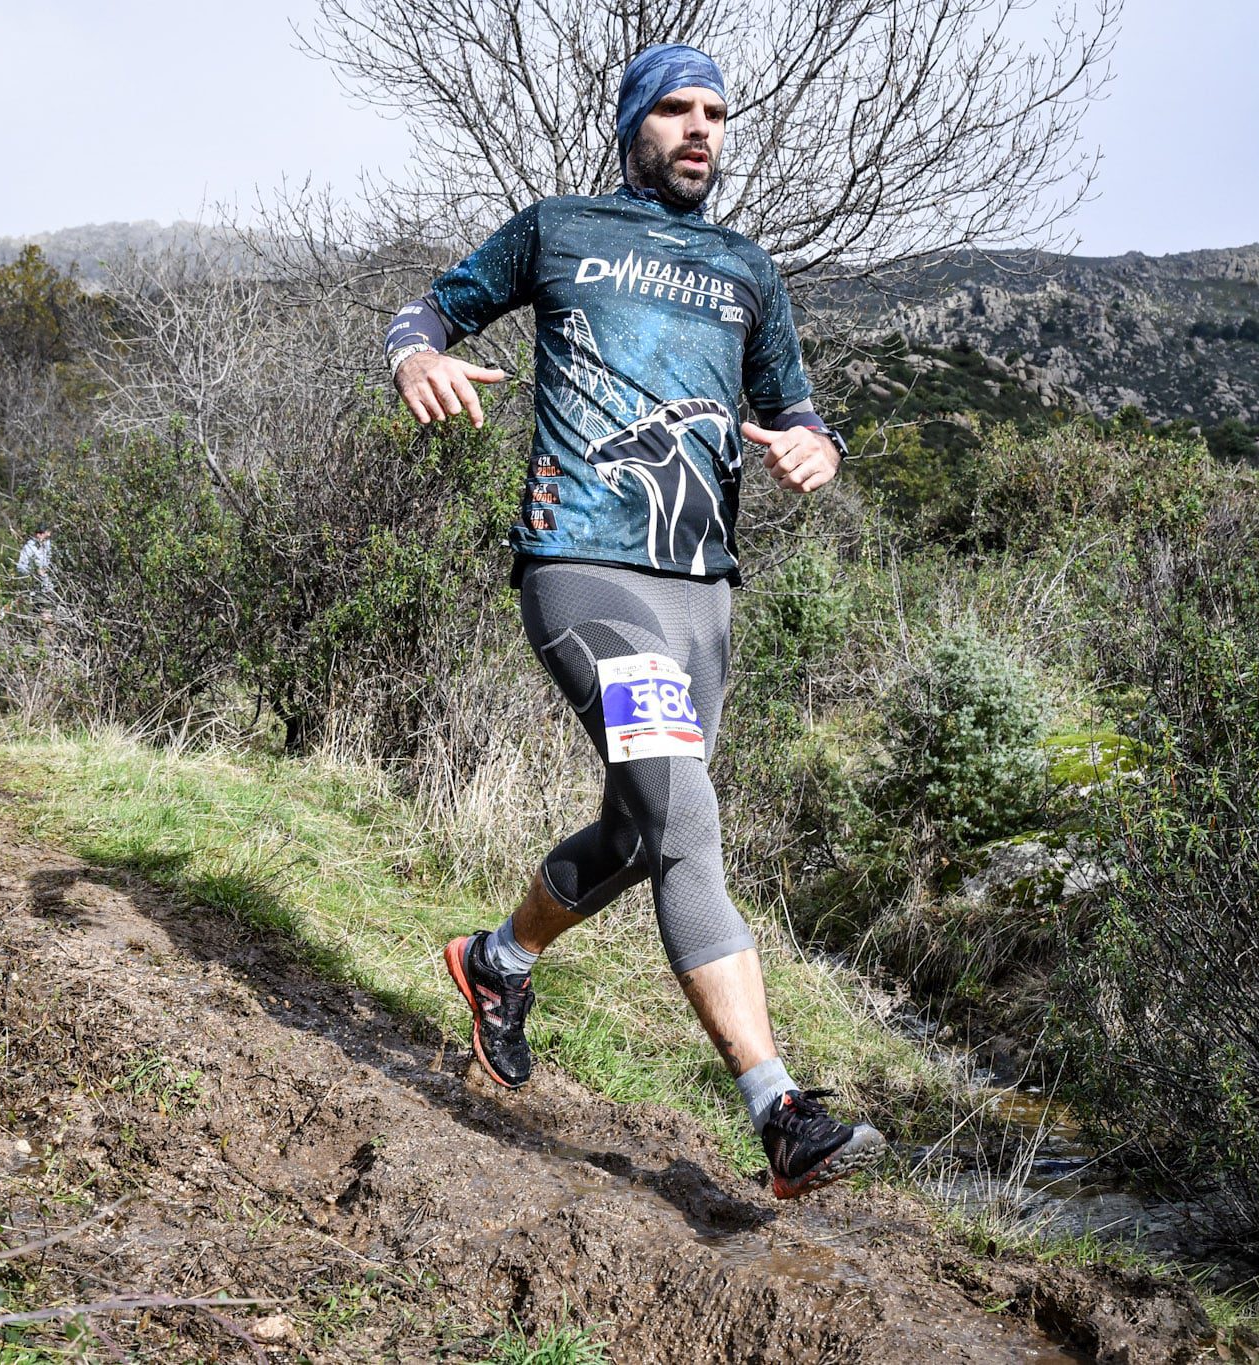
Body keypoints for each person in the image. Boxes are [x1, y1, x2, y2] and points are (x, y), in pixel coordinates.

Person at [386, 43, 882, 1200]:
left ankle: (497, 961)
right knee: (687, 819)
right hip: (583, 570)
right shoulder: (558, 229)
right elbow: (430, 310)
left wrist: (817, 445)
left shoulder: (746, 269)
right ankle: (780, 1112)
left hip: (700, 592)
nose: (700, 127)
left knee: (636, 828)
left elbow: (796, 407)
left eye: (715, 111)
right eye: (675, 109)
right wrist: (415, 359)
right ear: (631, 127)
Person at [15, 525, 56, 598]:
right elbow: (20, 566)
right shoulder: (29, 547)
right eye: (46, 533)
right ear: (39, 534)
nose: (48, 535)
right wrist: (35, 571)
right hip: (35, 588)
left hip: (50, 586)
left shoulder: (50, 545)